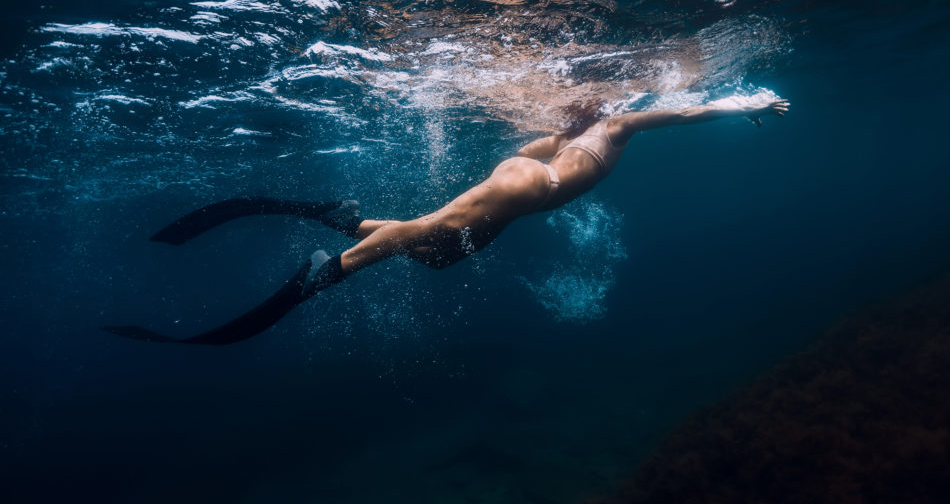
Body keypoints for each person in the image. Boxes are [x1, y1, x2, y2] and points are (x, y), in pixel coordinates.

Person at [103, 98, 789, 345]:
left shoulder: (568, 134)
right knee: (431, 228)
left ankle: (347, 222)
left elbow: (534, 145)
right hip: (529, 186)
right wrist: (746, 102)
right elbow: (687, 113)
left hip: (524, 189)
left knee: (439, 253)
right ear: (604, 105)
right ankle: (331, 270)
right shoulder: (615, 124)